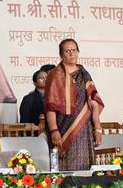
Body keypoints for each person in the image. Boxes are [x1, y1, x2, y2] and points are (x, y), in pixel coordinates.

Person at [44, 39, 103, 171]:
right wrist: (54, 130)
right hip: (63, 130)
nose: (71, 53)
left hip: (84, 129)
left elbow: (93, 102)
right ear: (61, 54)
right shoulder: (54, 75)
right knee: (67, 169)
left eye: (74, 50)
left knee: (86, 168)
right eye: (67, 51)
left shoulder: (84, 73)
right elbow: (50, 107)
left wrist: (98, 129)